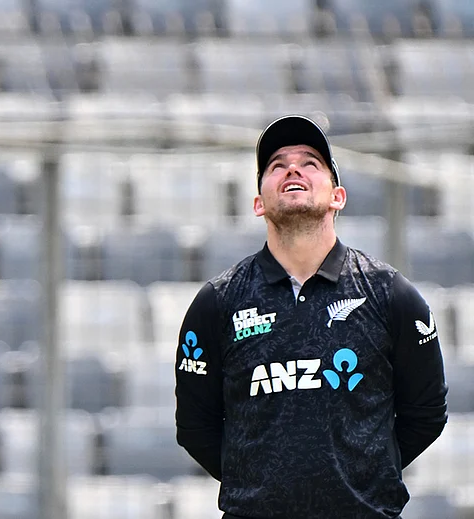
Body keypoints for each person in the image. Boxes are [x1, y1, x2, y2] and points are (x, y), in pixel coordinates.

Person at [175, 115, 448, 519]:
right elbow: (196, 426)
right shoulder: (216, 303)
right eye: (276, 165)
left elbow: (426, 412)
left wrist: (363, 476)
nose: (292, 169)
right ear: (258, 203)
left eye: (310, 162)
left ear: (338, 196)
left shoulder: (391, 294)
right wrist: (259, 485)